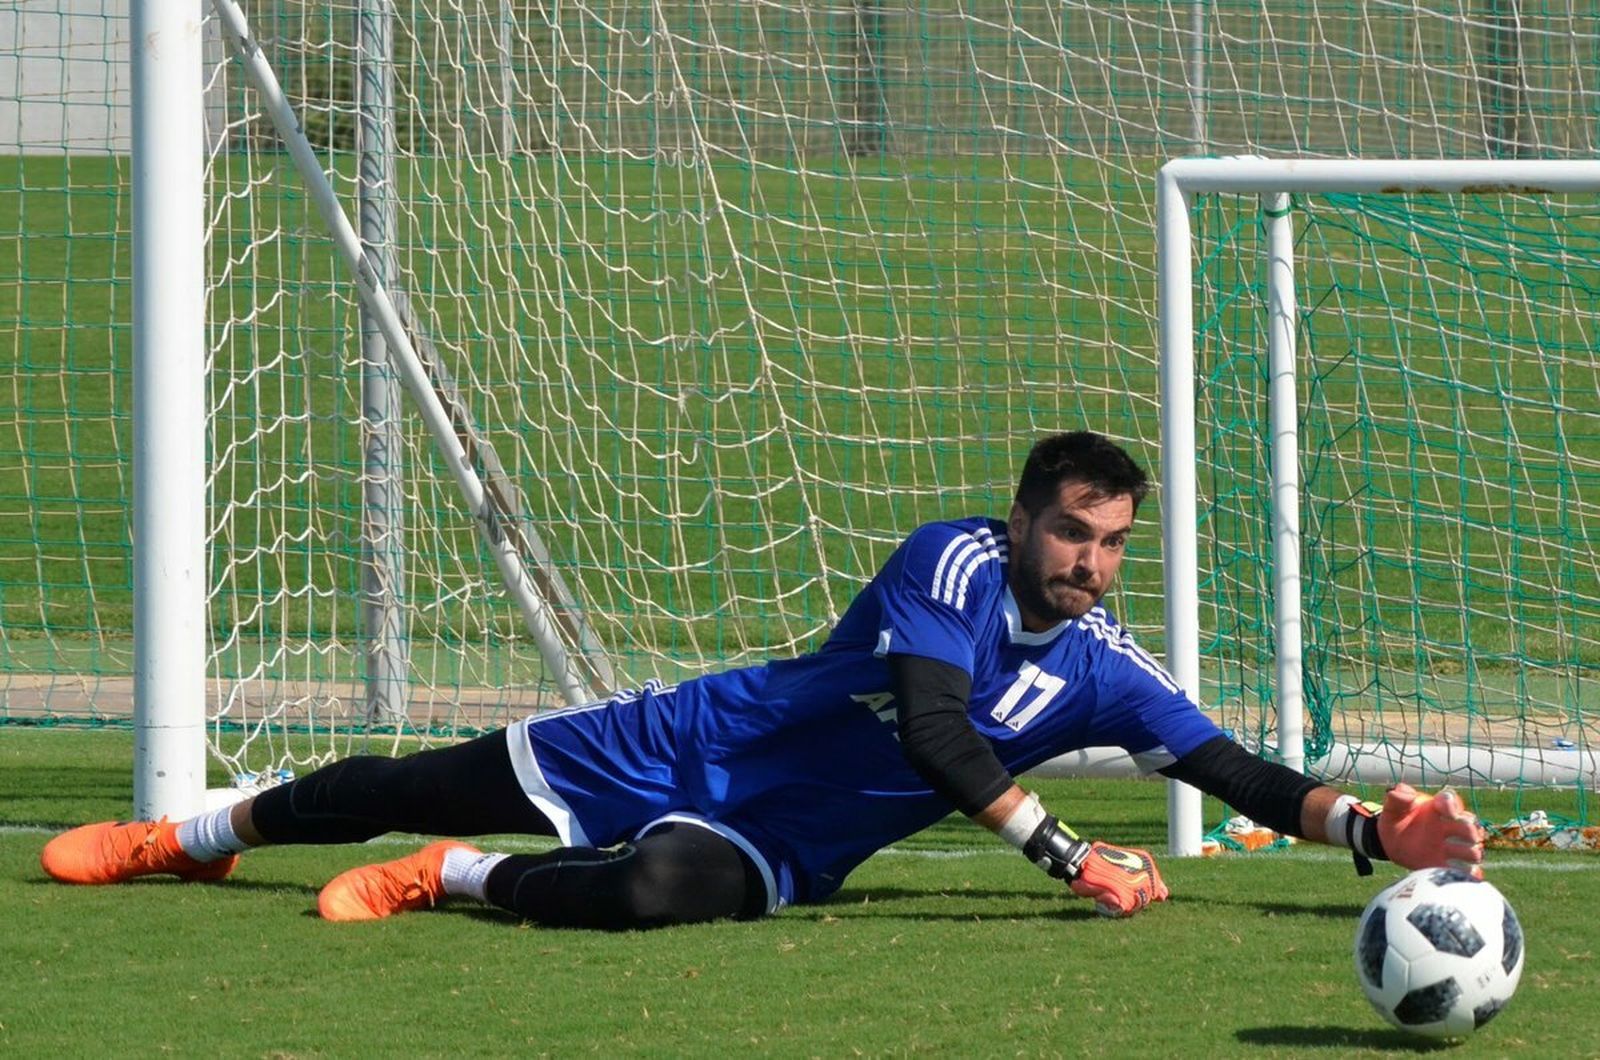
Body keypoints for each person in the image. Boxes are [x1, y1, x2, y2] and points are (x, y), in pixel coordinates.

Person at [42, 431, 1485, 929]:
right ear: (1023, 516)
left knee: (645, 902)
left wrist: (1372, 835)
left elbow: (1234, 776)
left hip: (781, 839)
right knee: (396, 778)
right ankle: (188, 839)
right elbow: (931, 730)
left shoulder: (1105, 673)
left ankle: (452, 879)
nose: (1088, 562)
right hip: (693, 740)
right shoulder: (954, 563)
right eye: (1069, 530)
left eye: (1111, 544)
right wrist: (1065, 854)